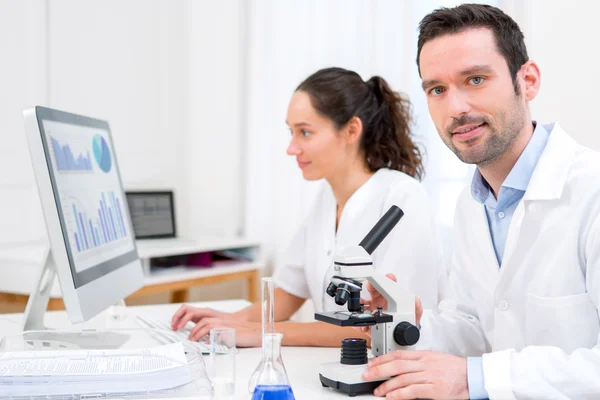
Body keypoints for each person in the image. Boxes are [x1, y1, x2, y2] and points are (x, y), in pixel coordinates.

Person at [360, 4, 600, 399]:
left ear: (529, 80)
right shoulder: (471, 204)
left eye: (475, 79)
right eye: (437, 89)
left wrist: (474, 379)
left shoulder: (590, 192)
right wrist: (411, 321)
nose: (455, 108)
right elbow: (476, 326)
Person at [171, 67, 444, 348]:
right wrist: (227, 321)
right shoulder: (326, 199)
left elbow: (388, 324)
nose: (292, 148)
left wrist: (262, 333)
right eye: (292, 132)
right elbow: (289, 292)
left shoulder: (401, 198)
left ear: (351, 130)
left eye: (305, 132)